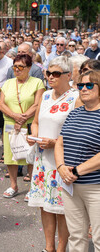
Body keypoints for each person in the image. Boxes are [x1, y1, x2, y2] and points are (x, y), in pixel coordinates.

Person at [27, 56, 78, 252]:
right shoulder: (46, 96)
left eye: (56, 74)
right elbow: (36, 121)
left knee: (62, 208)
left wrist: (55, 142)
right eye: (48, 73)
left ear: (68, 75)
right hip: (42, 159)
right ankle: (49, 248)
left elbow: (78, 132)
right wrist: (34, 135)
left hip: (63, 159)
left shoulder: (75, 97)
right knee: (45, 205)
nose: (50, 77)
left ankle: (61, 247)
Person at [54, 70, 100, 252]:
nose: (84, 89)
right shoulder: (75, 113)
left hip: (95, 187)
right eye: (81, 85)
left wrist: (77, 171)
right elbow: (60, 143)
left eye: (89, 85)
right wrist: (61, 167)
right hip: (70, 186)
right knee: (76, 237)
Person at [0, 54, 45, 200]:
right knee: (11, 155)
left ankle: (33, 187)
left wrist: (22, 117)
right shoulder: (8, 83)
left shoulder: (37, 82)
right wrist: (15, 116)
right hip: (11, 124)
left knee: (30, 155)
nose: (17, 70)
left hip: (29, 124)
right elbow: (2, 105)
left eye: (20, 67)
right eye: (15, 66)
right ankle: (13, 185)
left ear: (29, 68)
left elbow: (37, 104)